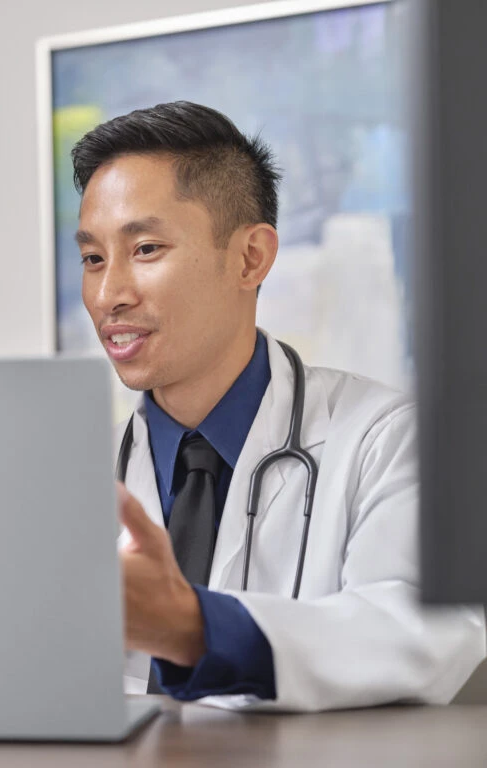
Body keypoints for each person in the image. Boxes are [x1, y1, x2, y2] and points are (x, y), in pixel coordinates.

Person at [71, 101, 485, 711]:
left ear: (250, 258)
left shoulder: (388, 439)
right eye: (92, 258)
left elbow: (426, 630)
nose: (108, 295)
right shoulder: (73, 473)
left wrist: (196, 627)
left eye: (147, 248)